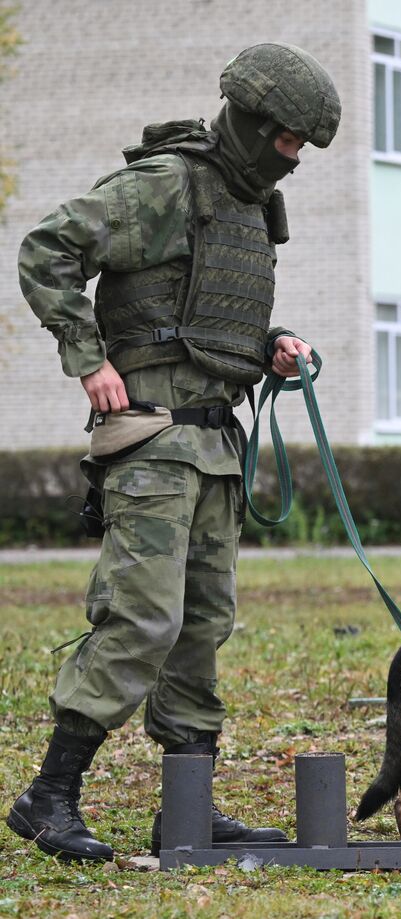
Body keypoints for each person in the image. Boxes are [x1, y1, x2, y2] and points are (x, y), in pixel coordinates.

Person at [6, 42, 340, 862]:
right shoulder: (164, 184)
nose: (293, 161)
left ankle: (188, 809)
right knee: (143, 616)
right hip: (153, 441)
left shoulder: (247, 204)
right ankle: (49, 796)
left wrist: (272, 344)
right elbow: (47, 249)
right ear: (256, 124)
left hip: (215, 445)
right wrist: (87, 357)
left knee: (201, 625)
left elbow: (204, 322)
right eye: (290, 142)